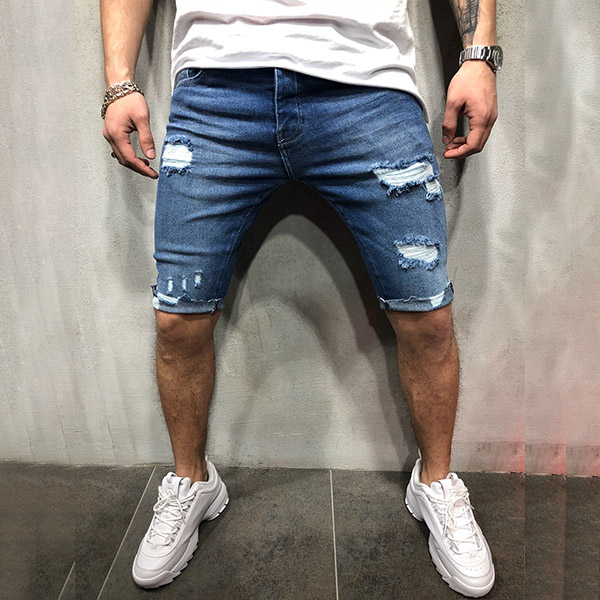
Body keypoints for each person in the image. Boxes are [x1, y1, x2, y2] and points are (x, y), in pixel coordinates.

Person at [100, 0, 501, 596]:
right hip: (215, 89)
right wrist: (119, 81)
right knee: (177, 318)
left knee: (427, 314)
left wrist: (478, 54)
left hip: (369, 83)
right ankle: (192, 483)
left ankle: (436, 483)